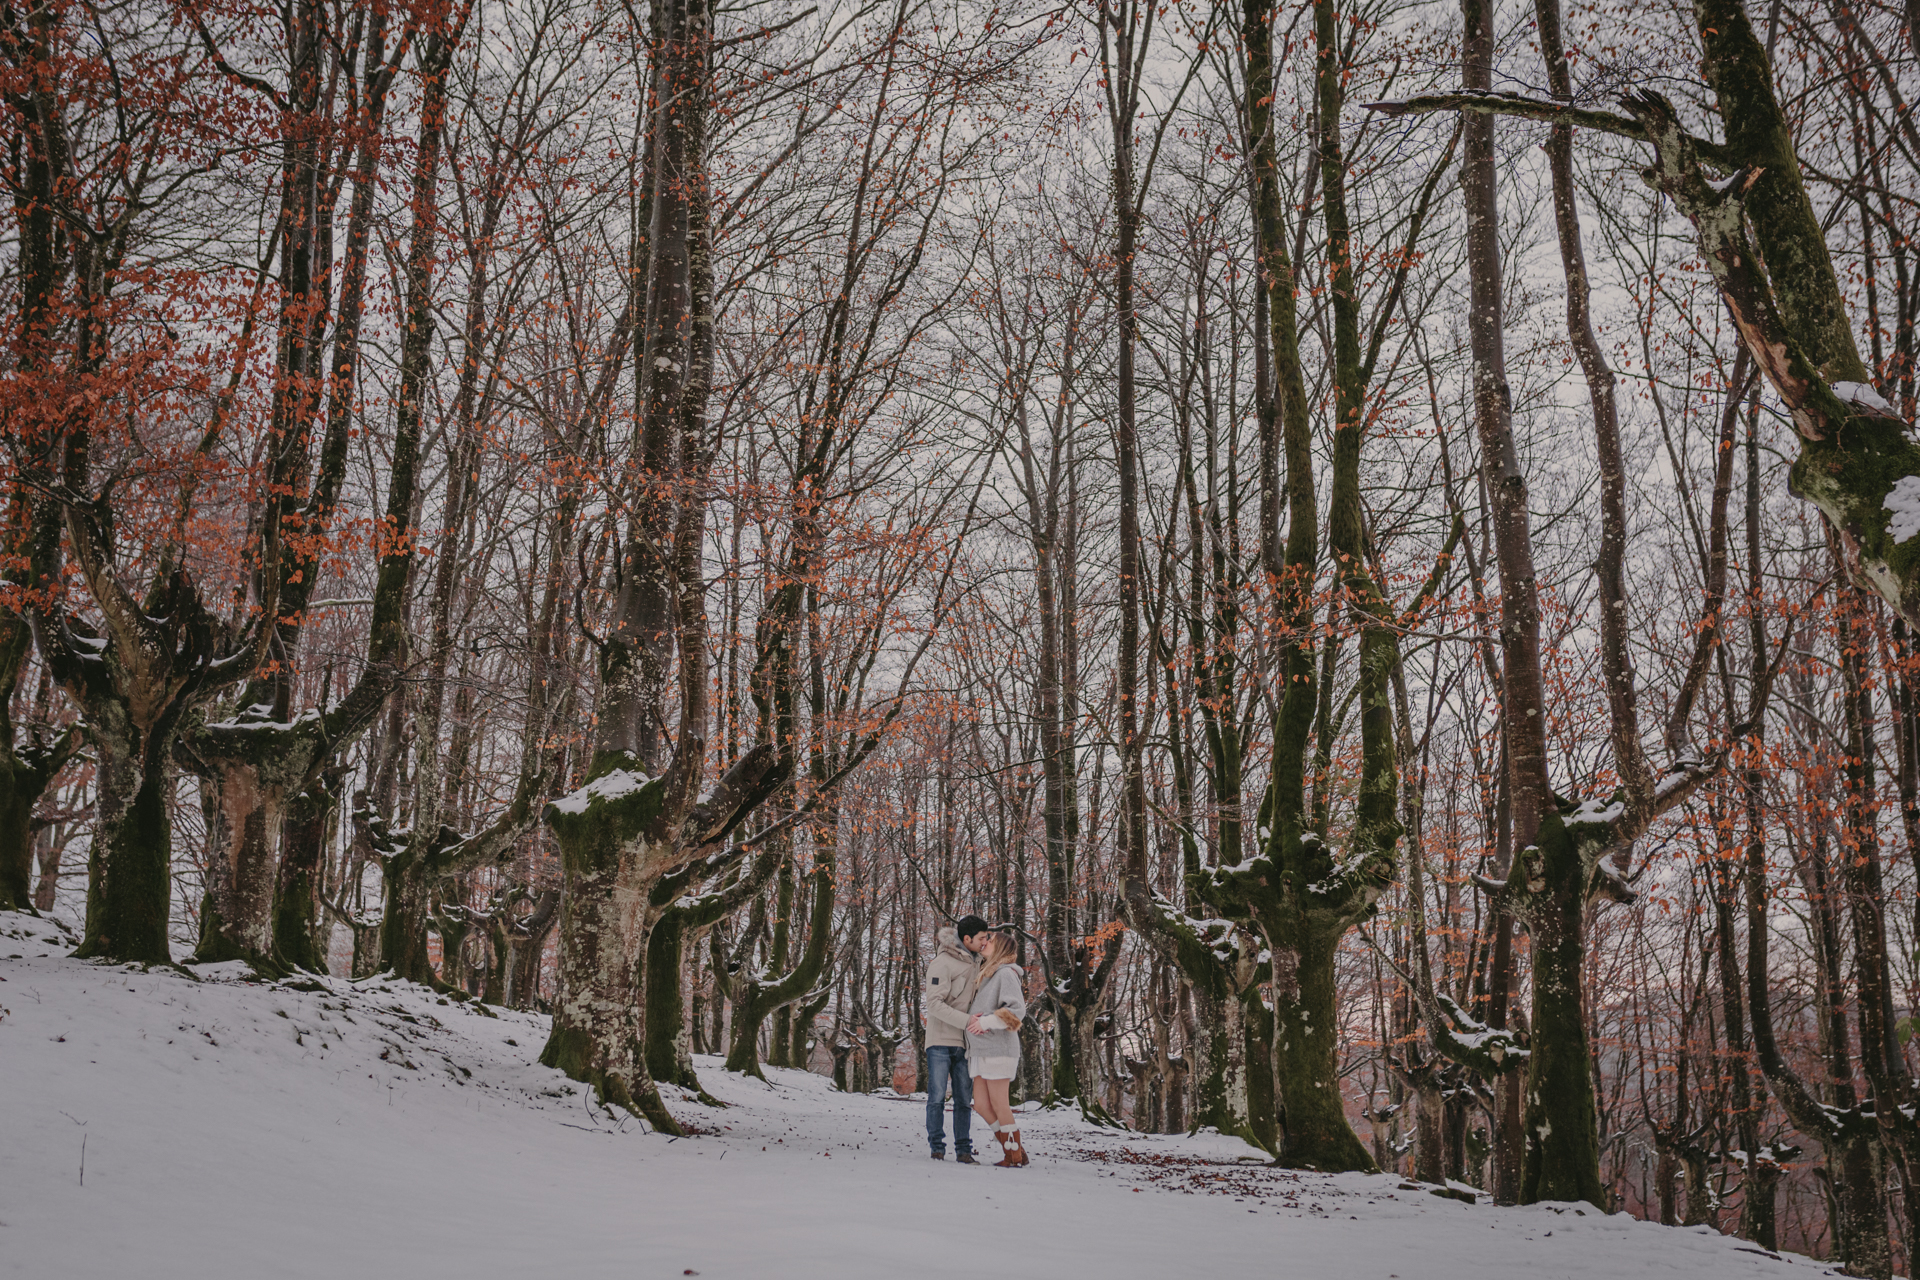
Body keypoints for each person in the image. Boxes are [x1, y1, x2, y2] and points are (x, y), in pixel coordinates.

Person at [923, 914, 991, 1162]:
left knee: (964, 1100)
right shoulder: (942, 963)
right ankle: (937, 1148)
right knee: (937, 1097)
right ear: (967, 939)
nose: (985, 942)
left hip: (966, 1043)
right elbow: (934, 1005)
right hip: (940, 1042)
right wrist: (968, 1022)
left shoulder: (977, 961)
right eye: (982, 938)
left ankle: (963, 1150)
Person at [966, 931, 1030, 1167]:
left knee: (1000, 1104)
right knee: (981, 1105)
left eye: (990, 941)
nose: (984, 943)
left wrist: (985, 1022)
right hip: (982, 1050)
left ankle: (1012, 1157)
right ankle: (1015, 1150)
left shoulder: (1006, 973)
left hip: (999, 1048)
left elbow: (1015, 1012)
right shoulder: (990, 974)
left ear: (1001, 948)